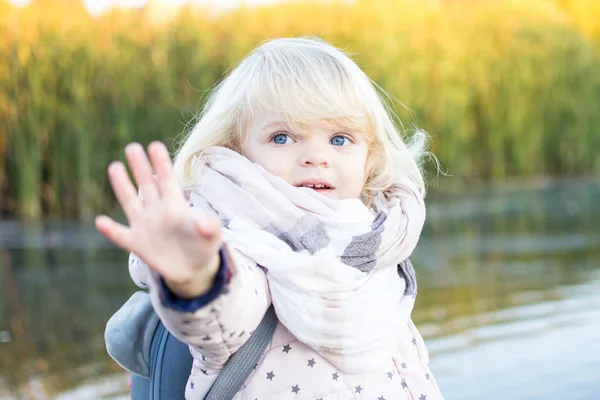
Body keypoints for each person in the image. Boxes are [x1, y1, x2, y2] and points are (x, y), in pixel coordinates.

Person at [96, 36, 444, 400]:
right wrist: (197, 277)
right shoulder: (242, 242)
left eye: (339, 139)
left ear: (368, 156)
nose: (316, 156)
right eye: (282, 137)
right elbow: (222, 317)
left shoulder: (370, 241)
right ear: (236, 150)